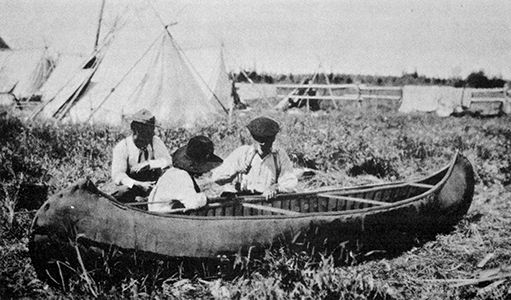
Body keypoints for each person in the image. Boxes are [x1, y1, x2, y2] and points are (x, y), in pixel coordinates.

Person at [212, 116, 298, 199]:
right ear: (253, 138)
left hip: (267, 200)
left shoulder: (278, 155)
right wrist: (235, 170)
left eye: (268, 141)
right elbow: (216, 177)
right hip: (242, 201)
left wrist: (276, 187)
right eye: (260, 141)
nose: (263, 145)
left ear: (273, 139)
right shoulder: (242, 153)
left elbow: (290, 181)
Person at [148, 136, 223, 212]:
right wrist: (207, 197)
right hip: (162, 217)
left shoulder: (174, 172)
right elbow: (193, 203)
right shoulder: (180, 176)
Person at [111, 109, 172, 203]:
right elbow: (118, 175)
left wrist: (149, 164)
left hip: (153, 185)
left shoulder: (155, 141)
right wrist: (138, 184)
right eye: (144, 133)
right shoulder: (123, 147)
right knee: (122, 193)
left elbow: (168, 160)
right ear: (134, 130)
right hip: (133, 186)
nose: (148, 137)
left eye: (150, 133)